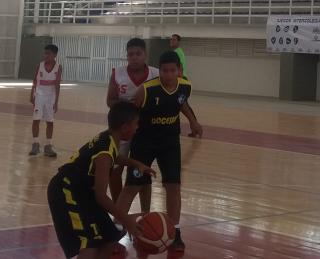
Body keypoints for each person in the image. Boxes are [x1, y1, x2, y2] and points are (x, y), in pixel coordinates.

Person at [116, 51, 203, 259]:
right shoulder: (146, 90)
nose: (169, 75)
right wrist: (122, 137)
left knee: (173, 186)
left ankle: (176, 231)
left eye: (173, 70)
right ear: (160, 70)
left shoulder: (185, 86)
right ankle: (116, 230)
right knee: (132, 187)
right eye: (165, 70)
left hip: (169, 142)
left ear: (179, 70)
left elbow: (181, 103)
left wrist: (193, 121)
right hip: (144, 143)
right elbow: (131, 113)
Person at [48, 101, 153, 259]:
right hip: (66, 190)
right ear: (125, 128)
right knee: (90, 242)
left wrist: (135, 163)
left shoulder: (109, 138)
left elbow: (113, 157)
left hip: (83, 191)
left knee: (109, 237)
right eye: (136, 124)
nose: (137, 127)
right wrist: (127, 220)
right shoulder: (104, 152)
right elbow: (101, 197)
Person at [106, 38, 159, 207]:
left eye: (138, 54)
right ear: (126, 56)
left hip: (146, 129)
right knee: (115, 169)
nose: (134, 57)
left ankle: (145, 213)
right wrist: (129, 106)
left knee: (142, 171)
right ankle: (117, 207)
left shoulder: (156, 74)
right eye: (130, 54)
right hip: (122, 128)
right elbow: (110, 100)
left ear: (145, 55)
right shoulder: (118, 73)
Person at [30, 44, 64, 157]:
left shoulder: (58, 67)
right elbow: (35, 81)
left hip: (51, 97)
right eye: (45, 53)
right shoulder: (39, 65)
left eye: (48, 53)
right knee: (36, 119)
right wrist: (32, 94)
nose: (46, 55)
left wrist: (56, 101)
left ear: (55, 55)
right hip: (39, 95)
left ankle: (48, 146)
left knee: (50, 121)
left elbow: (57, 84)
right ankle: (35, 144)